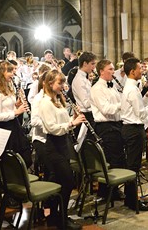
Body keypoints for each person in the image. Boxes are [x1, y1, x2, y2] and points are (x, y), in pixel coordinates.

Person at [39, 70, 85, 230]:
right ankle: (59, 217)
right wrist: (72, 124)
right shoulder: (45, 102)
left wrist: (73, 119)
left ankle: (57, 217)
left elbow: (62, 122)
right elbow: (52, 128)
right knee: (67, 181)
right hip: (54, 146)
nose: (63, 86)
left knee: (62, 182)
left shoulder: (57, 100)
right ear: (50, 83)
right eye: (60, 83)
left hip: (63, 144)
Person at [121, 57, 148, 211]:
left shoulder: (130, 86)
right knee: (133, 166)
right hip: (133, 130)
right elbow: (141, 114)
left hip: (130, 128)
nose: (142, 70)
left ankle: (129, 198)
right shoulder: (131, 88)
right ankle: (132, 201)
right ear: (132, 72)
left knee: (132, 165)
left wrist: (146, 96)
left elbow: (134, 107)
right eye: (139, 68)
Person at [90, 59, 126, 199]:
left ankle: (113, 190)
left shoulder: (112, 86)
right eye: (110, 69)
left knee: (117, 158)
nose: (113, 71)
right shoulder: (97, 88)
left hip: (116, 125)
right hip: (105, 127)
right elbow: (106, 109)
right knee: (111, 159)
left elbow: (116, 104)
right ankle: (107, 192)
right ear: (101, 72)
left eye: (112, 69)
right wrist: (121, 104)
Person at [0, 60, 32, 165]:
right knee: (12, 162)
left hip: (13, 125)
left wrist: (16, 104)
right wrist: (16, 112)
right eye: (10, 72)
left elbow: (7, 107)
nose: (13, 74)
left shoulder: (7, 87)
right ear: (1, 73)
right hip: (4, 128)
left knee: (25, 157)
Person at [71, 51, 97, 135]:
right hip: (86, 116)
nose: (94, 67)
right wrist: (99, 97)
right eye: (92, 64)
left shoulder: (85, 78)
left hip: (90, 114)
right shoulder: (79, 80)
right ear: (85, 63)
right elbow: (86, 103)